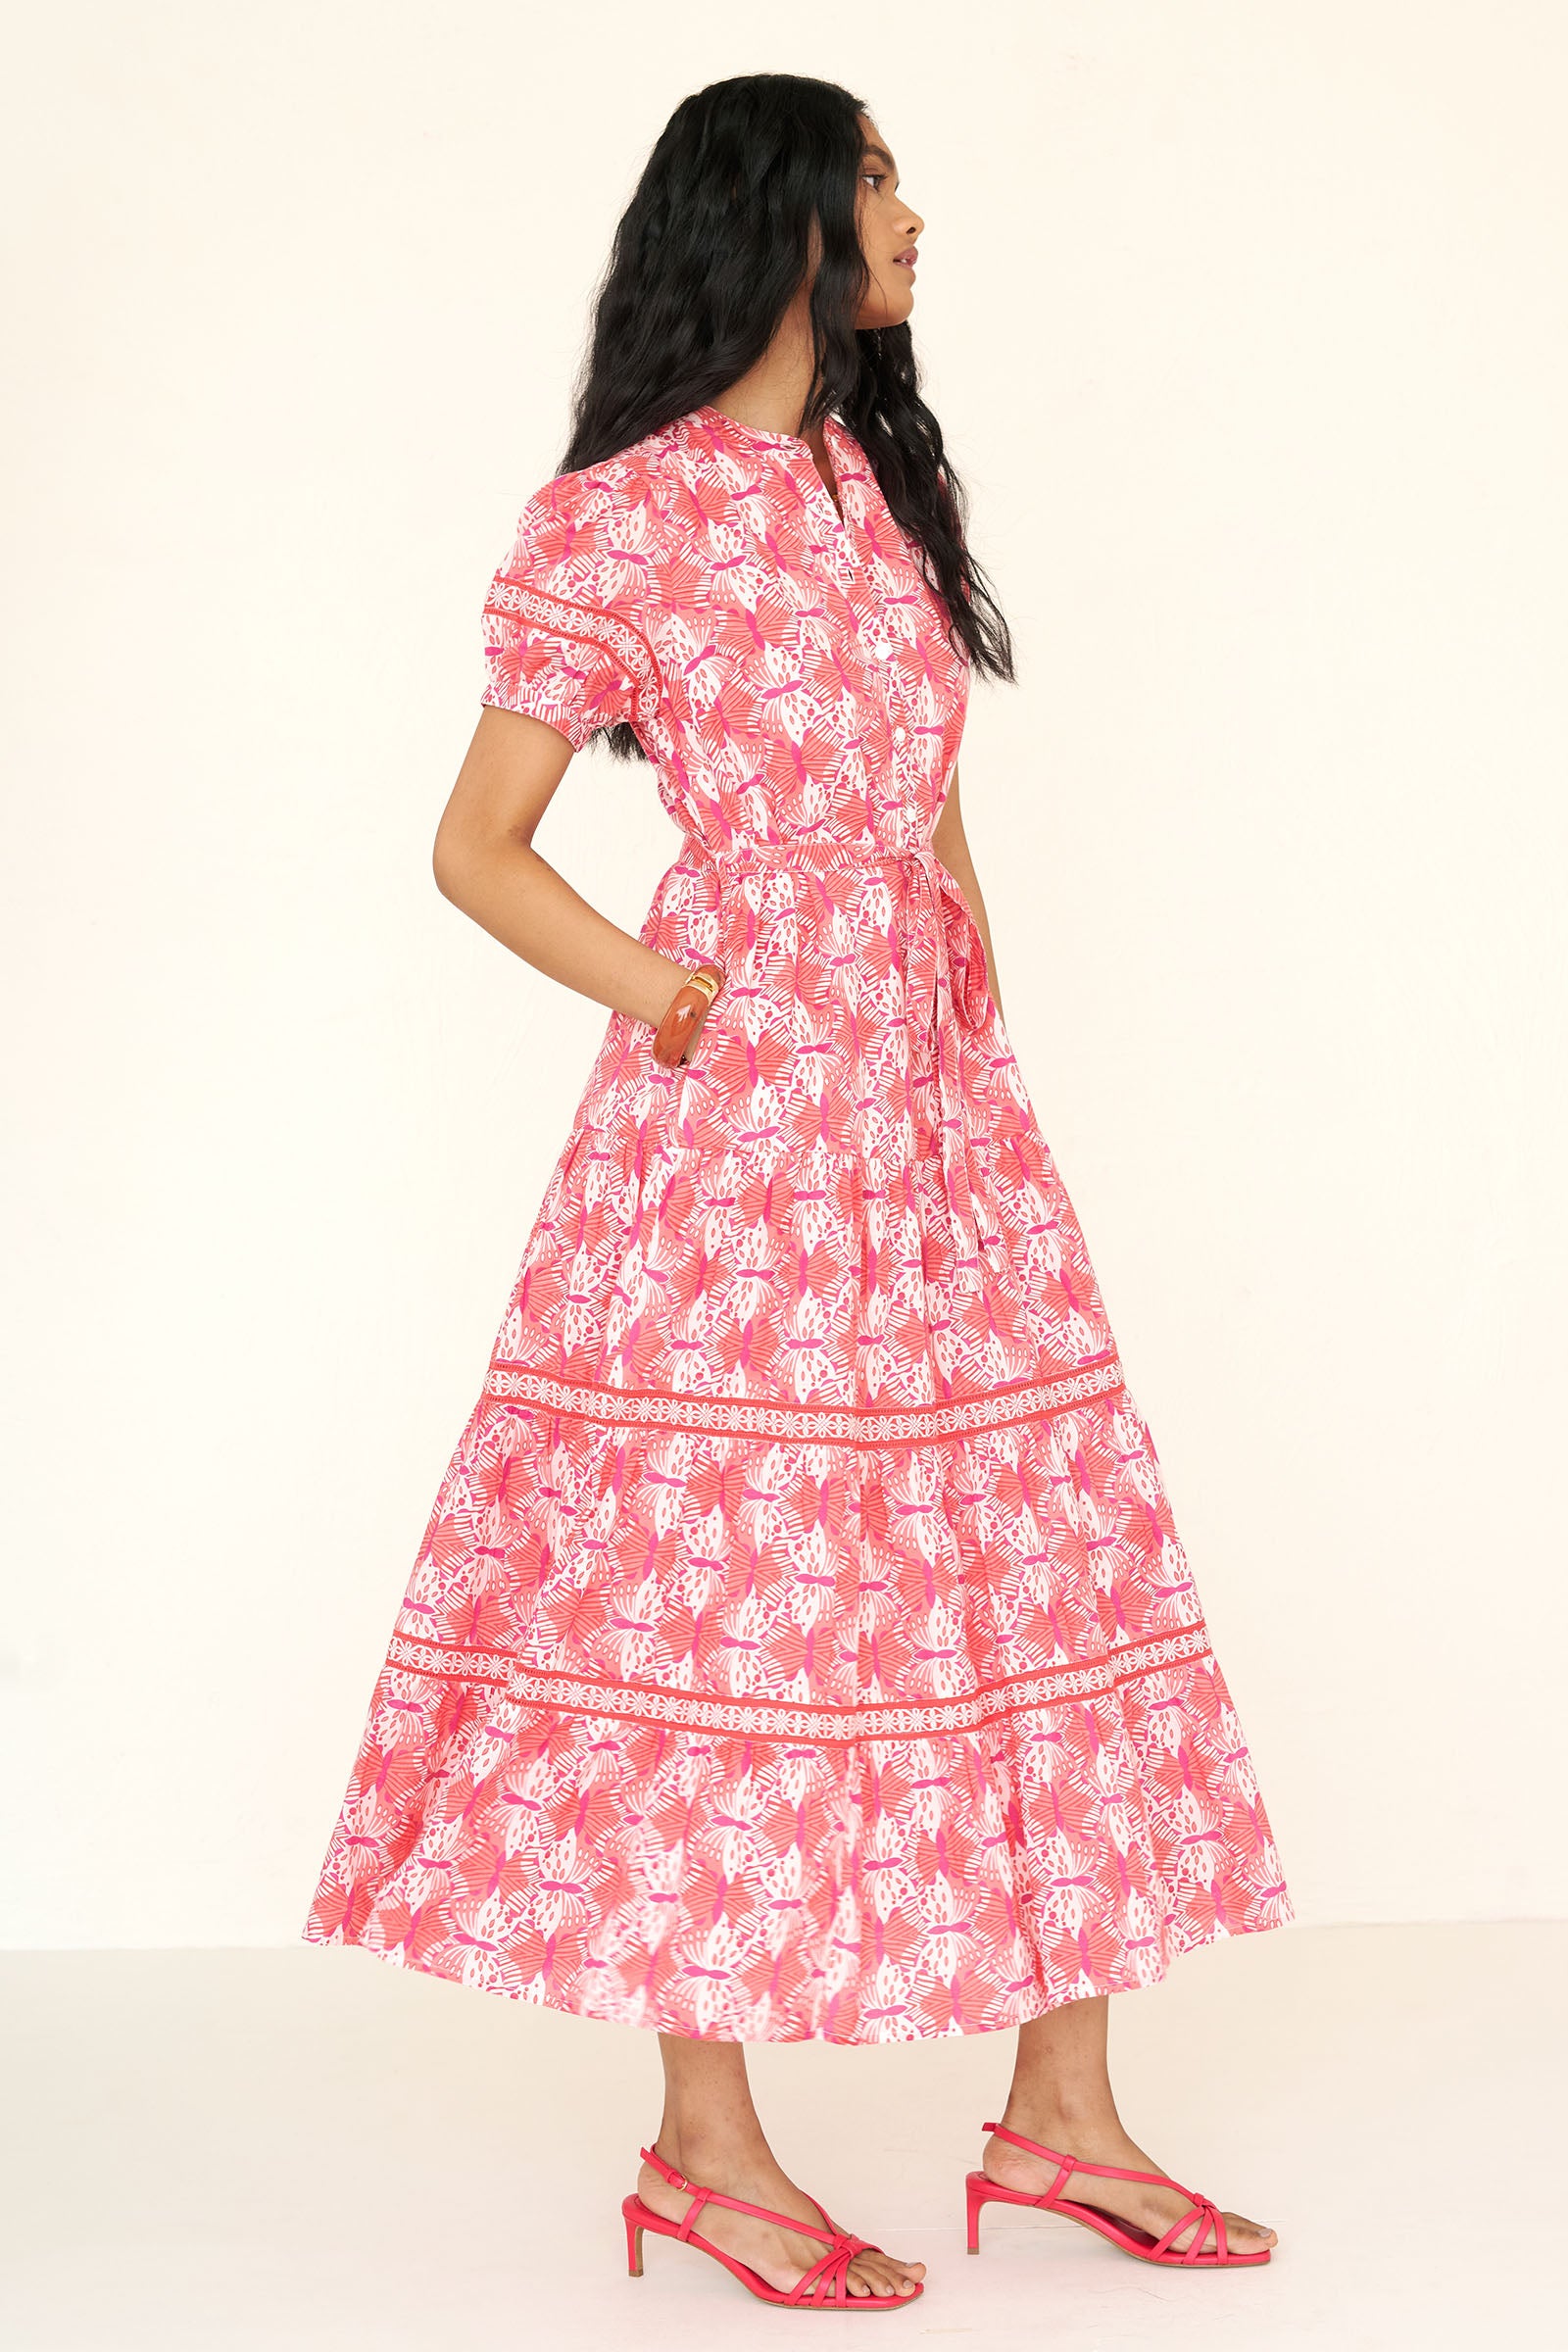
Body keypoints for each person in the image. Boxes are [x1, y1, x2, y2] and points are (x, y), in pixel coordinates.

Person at [305, 72, 1291, 2310]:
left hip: (933, 1117)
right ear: (777, 221)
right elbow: (473, 848)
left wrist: (977, 1039)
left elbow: (924, 803)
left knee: (1037, 1560)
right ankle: (706, 2154)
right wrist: (673, 997)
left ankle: (1061, 2121)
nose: (915, 215)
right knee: (712, 1597)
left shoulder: (863, 472)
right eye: (876, 181)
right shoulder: (620, 522)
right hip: (739, 1148)